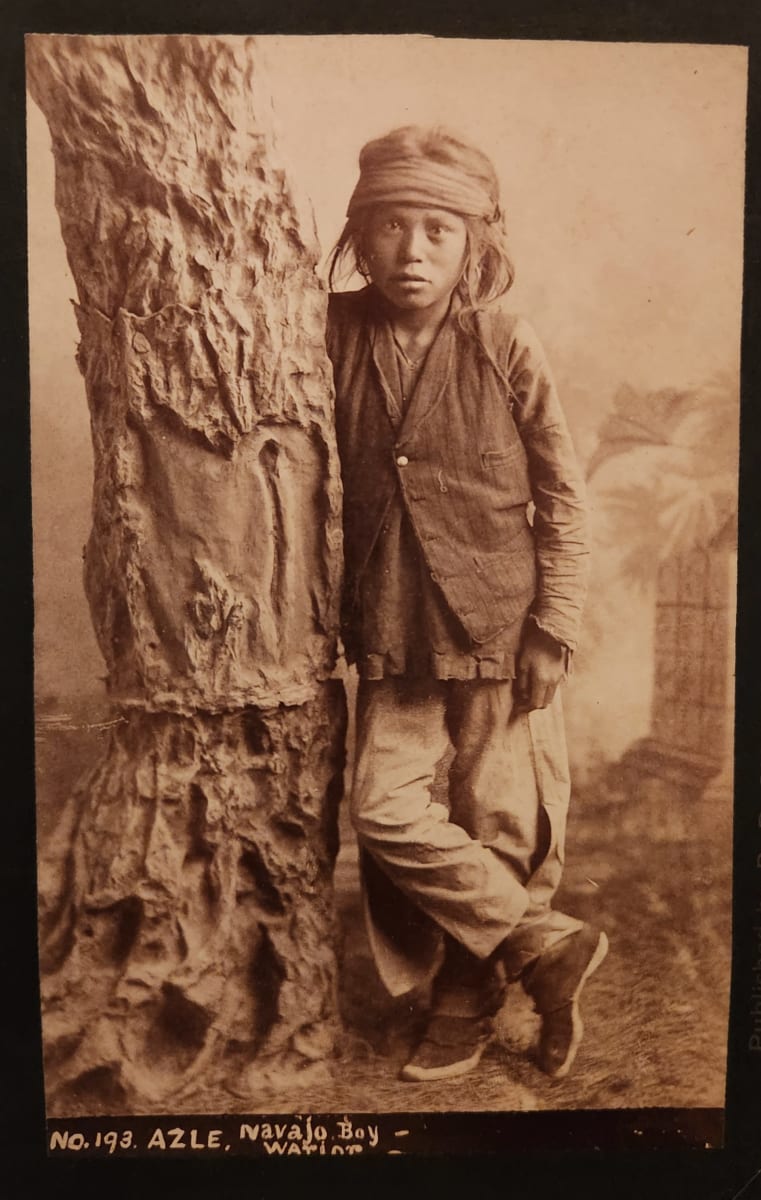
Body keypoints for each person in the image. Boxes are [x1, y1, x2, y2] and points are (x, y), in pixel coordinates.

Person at [325, 125, 607, 1084]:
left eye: (438, 229)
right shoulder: (331, 334)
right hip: (391, 622)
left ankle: (468, 993)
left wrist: (553, 626)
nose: (413, 250)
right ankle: (541, 945)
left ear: (475, 244)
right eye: (392, 227)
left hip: (500, 622)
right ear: (359, 238)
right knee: (388, 812)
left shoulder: (504, 341)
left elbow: (563, 496)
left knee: (501, 818)